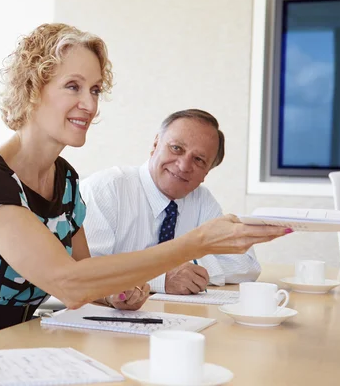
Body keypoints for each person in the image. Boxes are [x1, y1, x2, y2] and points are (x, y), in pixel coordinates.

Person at [0, 23, 288, 338]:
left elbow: (86, 273)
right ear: (33, 88)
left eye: (95, 89)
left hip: (19, 340)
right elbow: (68, 283)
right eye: (73, 86)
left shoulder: (64, 180)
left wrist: (117, 293)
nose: (90, 103)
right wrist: (198, 241)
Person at [81, 109, 263, 295]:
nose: (184, 166)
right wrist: (161, 277)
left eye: (199, 160)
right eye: (176, 148)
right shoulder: (106, 189)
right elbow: (84, 272)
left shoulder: (201, 199)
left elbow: (246, 265)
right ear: (155, 144)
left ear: (206, 173)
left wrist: (184, 266)